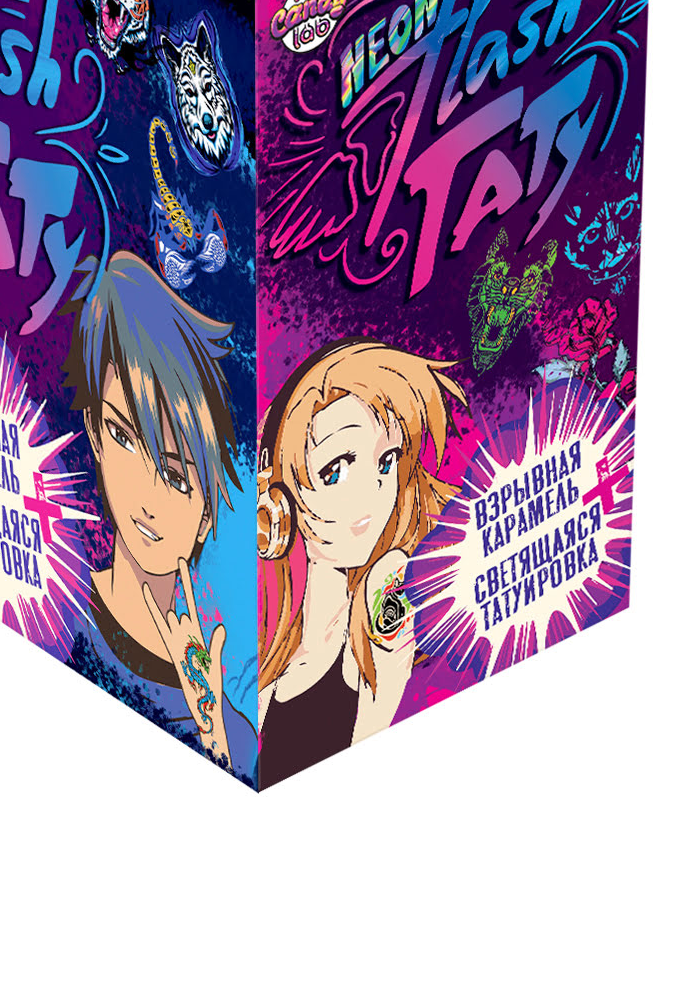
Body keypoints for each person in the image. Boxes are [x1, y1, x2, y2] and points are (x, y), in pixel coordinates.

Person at [63, 251, 254, 779]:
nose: (147, 498)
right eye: (124, 437)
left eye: (175, 474)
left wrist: (211, 732)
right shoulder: (55, 613)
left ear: (207, 511)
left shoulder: (233, 733)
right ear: (95, 435)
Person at [257, 339, 465, 785]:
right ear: (277, 503)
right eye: (336, 470)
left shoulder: (382, 618)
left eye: (386, 461)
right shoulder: (272, 667)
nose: (373, 492)